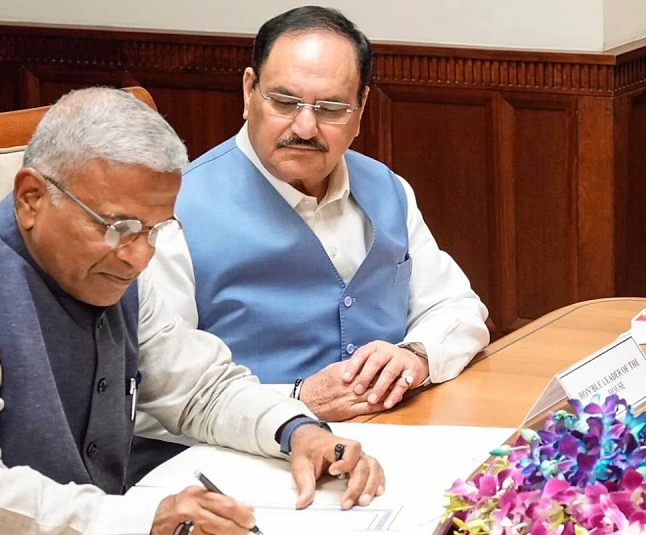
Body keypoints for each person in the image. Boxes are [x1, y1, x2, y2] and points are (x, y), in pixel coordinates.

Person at [0, 87, 384, 535]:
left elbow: (199, 388)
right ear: (31, 197)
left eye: (155, 230)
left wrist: (299, 431)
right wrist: (143, 522)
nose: (139, 256)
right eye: (118, 227)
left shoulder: (114, 268)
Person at [147, 6, 490, 426]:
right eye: (284, 102)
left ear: (361, 109)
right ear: (249, 91)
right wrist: (296, 400)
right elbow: (159, 393)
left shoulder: (389, 189)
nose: (305, 127)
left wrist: (415, 356)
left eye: (331, 108)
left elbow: (457, 307)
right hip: (249, 450)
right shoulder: (172, 215)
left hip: (398, 429)